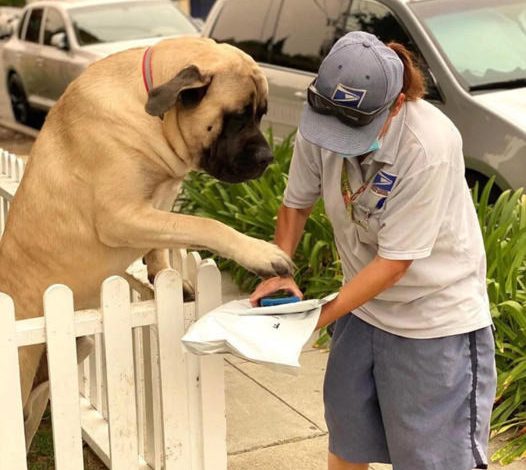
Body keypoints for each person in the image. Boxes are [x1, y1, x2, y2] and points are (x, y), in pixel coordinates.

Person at [250, 31, 497, 470]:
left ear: (396, 104)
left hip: (432, 323)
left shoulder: (429, 146)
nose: (336, 139)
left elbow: (395, 263)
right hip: (362, 313)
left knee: (434, 461)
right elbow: (295, 205)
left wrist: (311, 318)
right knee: (347, 441)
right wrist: (278, 269)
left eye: (355, 128)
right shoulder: (323, 119)